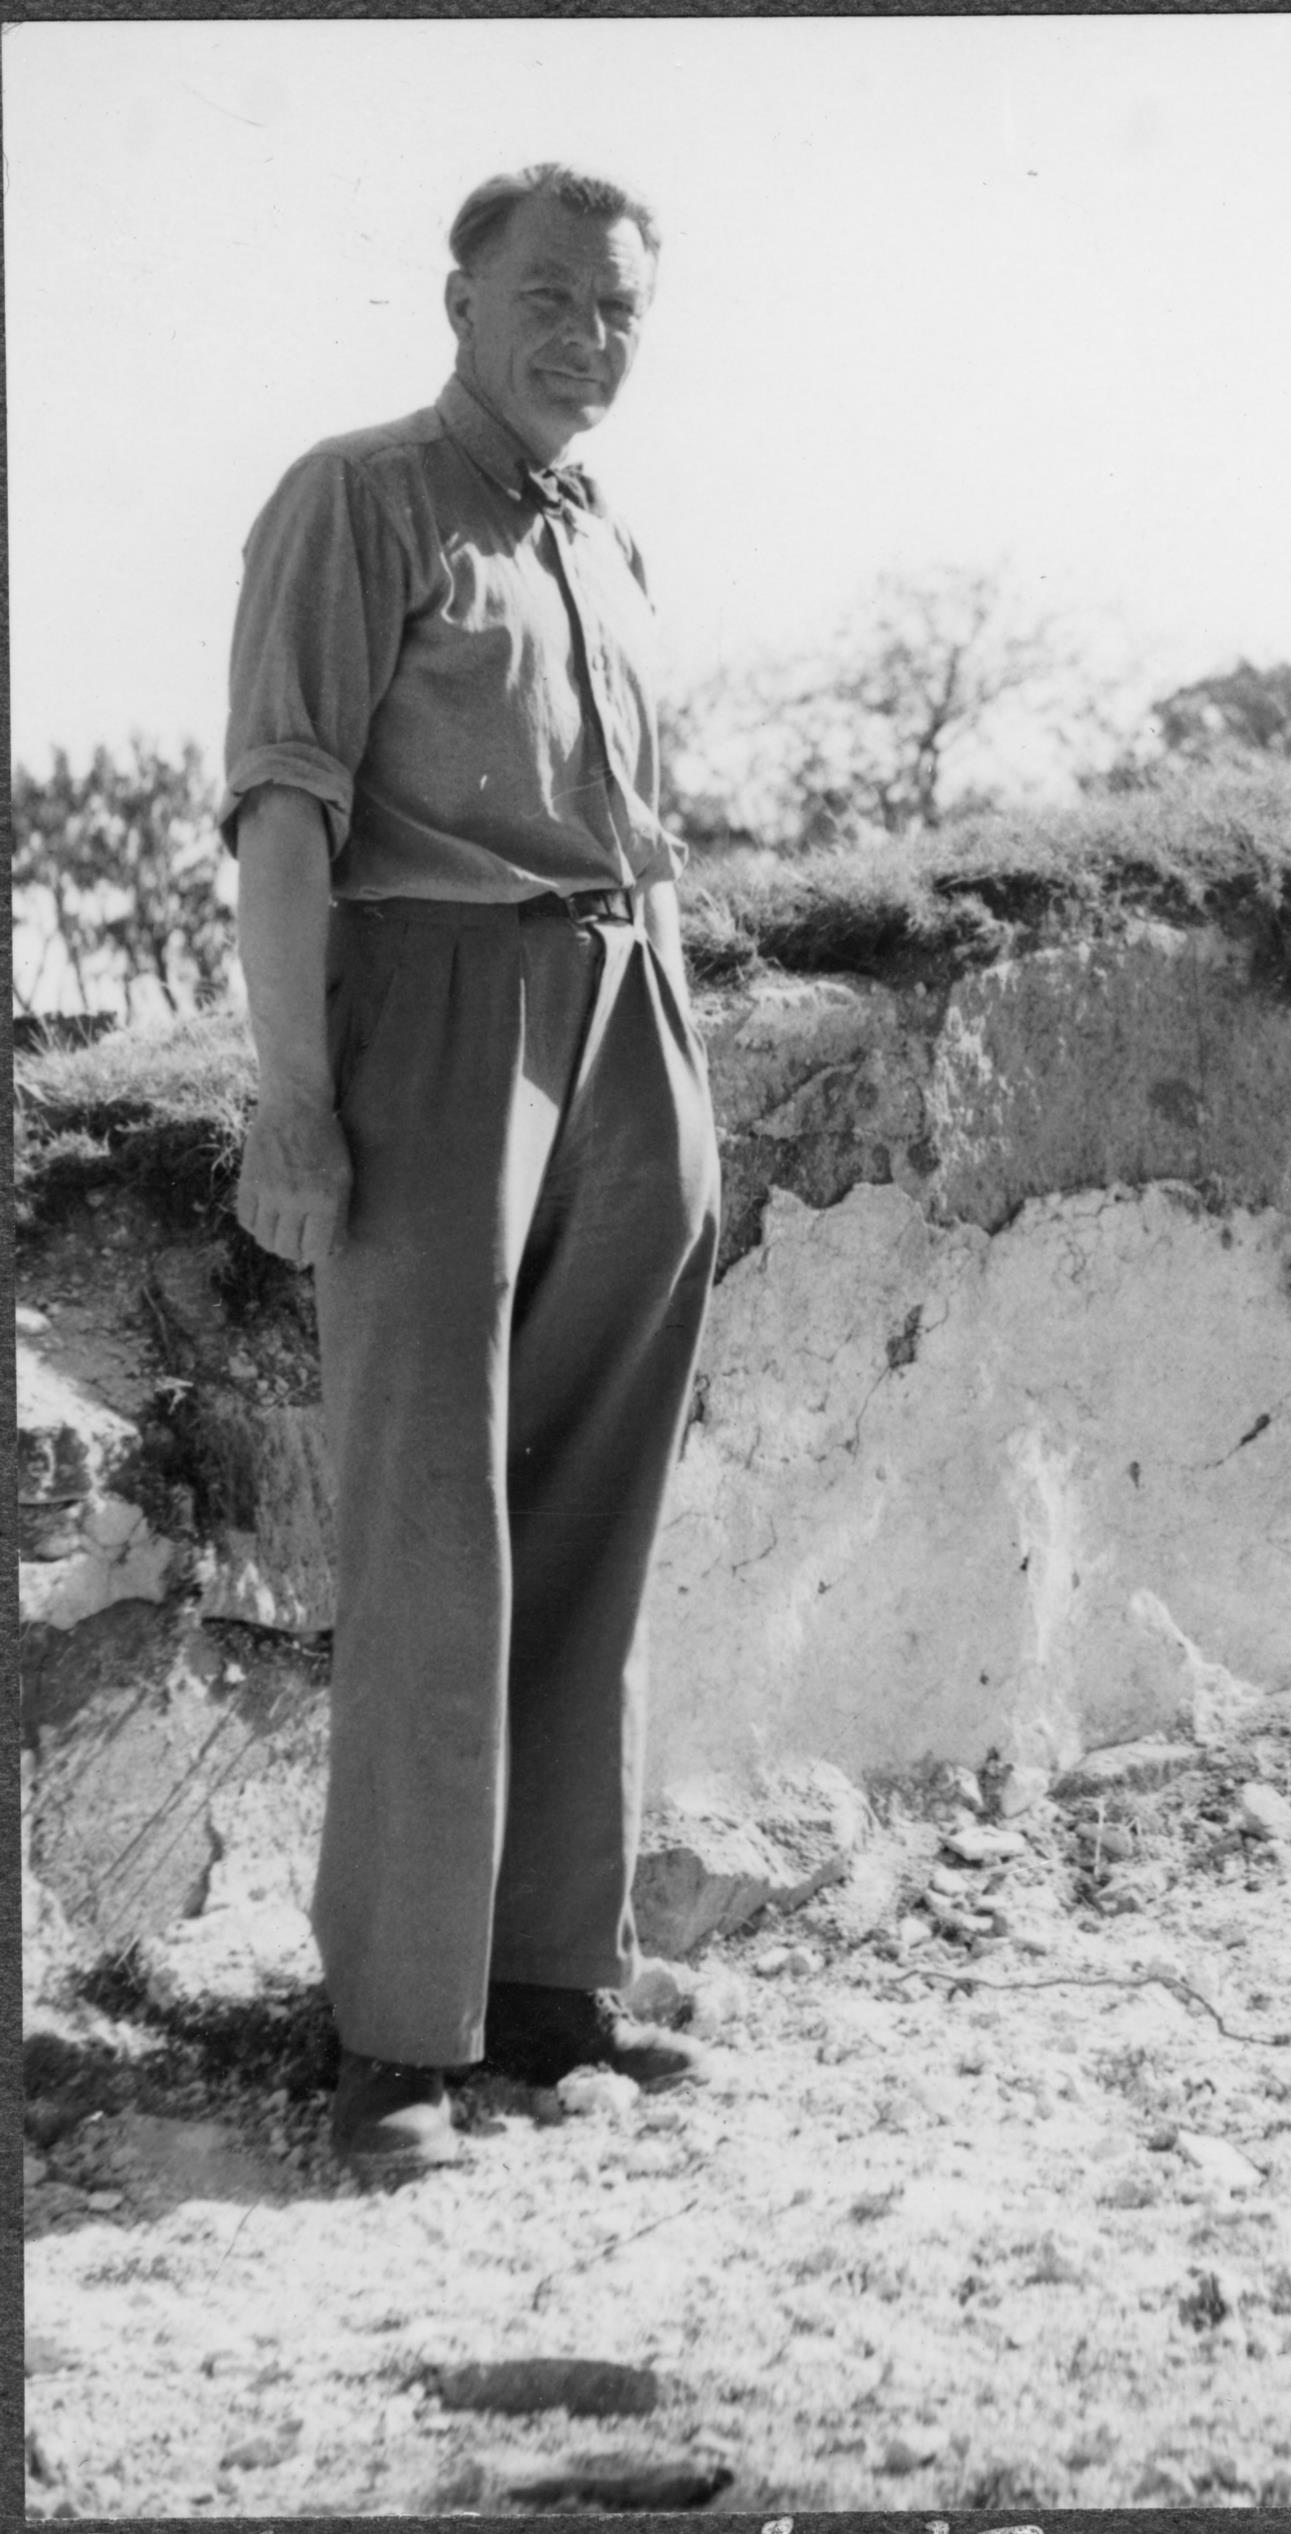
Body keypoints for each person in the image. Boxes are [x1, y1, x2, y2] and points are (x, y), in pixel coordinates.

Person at [222, 163, 721, 2181]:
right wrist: (290, 1095)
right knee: (432, 1523)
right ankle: (397, 2040)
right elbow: (282, 815)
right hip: (431, 1024)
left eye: (617, 309)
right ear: (459, 304)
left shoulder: (606, 535)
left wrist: (677, 1061)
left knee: (593, 1509)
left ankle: (548, 1990)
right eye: (548, 298)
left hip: (627, 1022)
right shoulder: (357, 498)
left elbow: (646, 830)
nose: (586, 337)